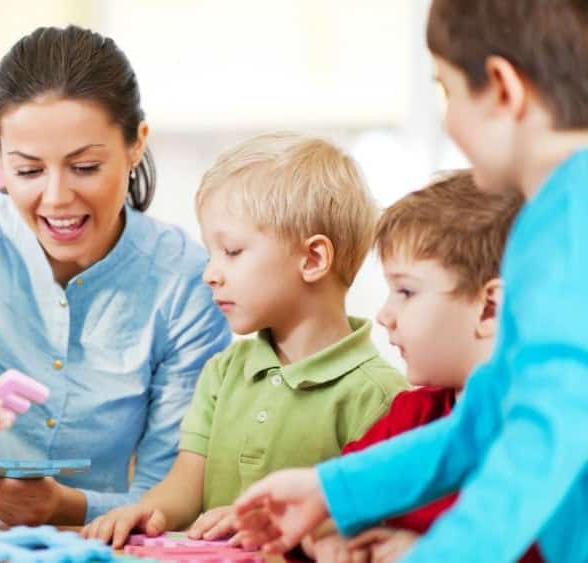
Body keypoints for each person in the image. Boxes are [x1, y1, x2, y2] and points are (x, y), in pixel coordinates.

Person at [233, 2, 588, 561]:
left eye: (446, 91)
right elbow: (488, 419)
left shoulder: (571, 228)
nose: (446, 120)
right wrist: (330, 489)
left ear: (501, 88)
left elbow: (547, 441)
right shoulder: (549, 221)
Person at [0, 25, 231, 525]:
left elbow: (168, 490)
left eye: (84, 167)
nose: (56, 198)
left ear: (135, 144)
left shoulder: (183, 279)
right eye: (29, 171)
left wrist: (69, 507)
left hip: (92, 543)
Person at [82, 133, 406, 547]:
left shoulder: (379, 397)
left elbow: (366, 524)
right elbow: (187, 484)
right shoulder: (224, 372)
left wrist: (265, 523)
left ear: (313, 259)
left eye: (232, 251)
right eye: (211, 253)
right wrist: (148, 509)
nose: (210, 273)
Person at [302, 171, 540, 562]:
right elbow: (323, 502)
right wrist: (326, 538)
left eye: (406, 292)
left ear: (490, 308)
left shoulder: (547, 430)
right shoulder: (409, 416)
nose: (383, 315)